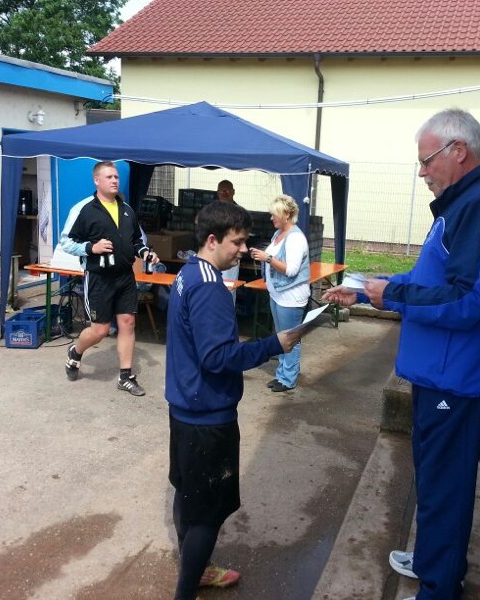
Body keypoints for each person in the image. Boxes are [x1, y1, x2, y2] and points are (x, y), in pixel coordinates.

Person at [323, 109, 480, 600]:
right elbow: (431, 279)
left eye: (426, 160)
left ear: (459, 151)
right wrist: (368, 290)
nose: (422, 172)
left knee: (446, 488)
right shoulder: (462, 204)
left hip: (459, 378)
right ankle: (434, 560)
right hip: (441, 373)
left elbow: (467, 299)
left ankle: (439, 587)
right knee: (433, 481)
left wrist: (392, 295)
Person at [165, 200, 303, 600]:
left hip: (185, 406)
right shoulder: (209, 287)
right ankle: (187, 589)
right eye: (237, 242)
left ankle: (196, 570)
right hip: (207, 417)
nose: (244, 250)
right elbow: (218, 358)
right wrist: (274, 344)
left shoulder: (189, 271)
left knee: (187, 492)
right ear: (212, 240)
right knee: (207, 513)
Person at [60, 161, 158, 396]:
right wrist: (91, 248)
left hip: (125, 277)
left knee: (128, 323)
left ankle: (126, 376)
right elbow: (66, 242)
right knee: (100, 330)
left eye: (116, 177)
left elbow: (137, 240)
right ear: (97, 180)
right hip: (99, 278)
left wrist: (145, 253)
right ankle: (75, 352)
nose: (115, 180)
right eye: (109, 177)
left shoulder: (127, 209)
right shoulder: (84, 209)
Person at [250, 195, 310, 392]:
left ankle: (288, 379)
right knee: (281, 336)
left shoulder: (296, 238)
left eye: (274, 214)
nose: (271, 218)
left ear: (286, 214)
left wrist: (267, 258)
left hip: (291, 298)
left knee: (290, 338)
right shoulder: (279, 234)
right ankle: (282, 374)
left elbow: (291, 270)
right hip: (278, 295)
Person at [215, 180, 241, 301]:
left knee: (228, 288)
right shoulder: (213, 210)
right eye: (221, 191)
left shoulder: (239, 212)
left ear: (233, 192)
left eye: (227, 191)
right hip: (213, 254)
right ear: (217, 193)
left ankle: (227, 312)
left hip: (230, 255)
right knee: (212, 287)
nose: (224, 194)